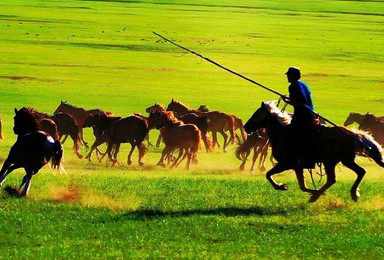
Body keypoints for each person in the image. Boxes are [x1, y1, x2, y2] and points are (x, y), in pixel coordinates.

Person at [282, 67, 316, 168]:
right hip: (310, 114)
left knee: (291, 135)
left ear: (293, 76)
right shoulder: (303, 84)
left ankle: (296, 159)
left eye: (288, 75)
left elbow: (301, 102)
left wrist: (288, 101)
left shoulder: (293, 86)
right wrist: (289, 100)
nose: (287, 77)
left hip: (302, 116)